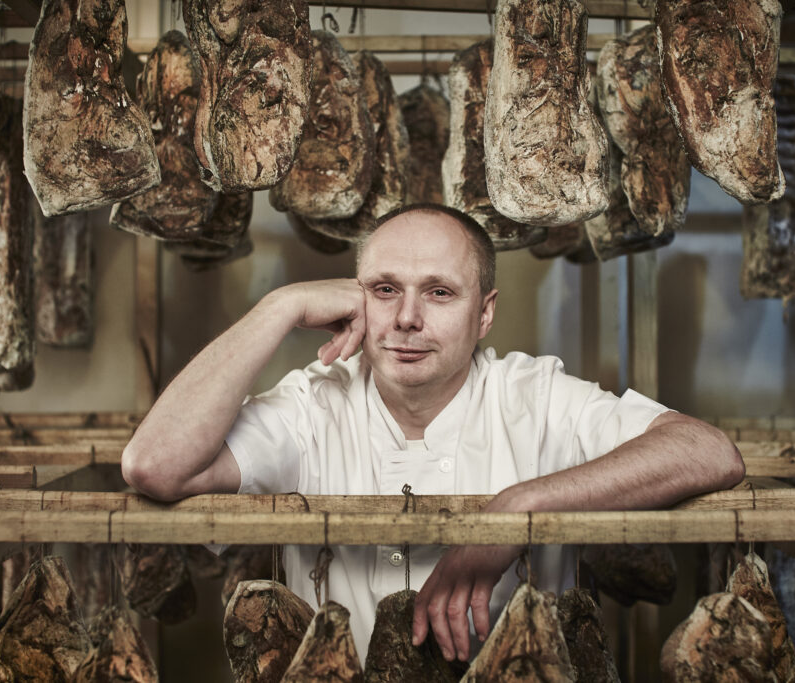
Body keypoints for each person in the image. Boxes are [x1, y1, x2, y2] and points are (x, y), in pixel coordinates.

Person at [122, 203, 744, 662]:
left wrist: (517, 510)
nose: (408, 319)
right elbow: (154, 464)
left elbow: (707, 451)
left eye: (439, 293)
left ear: (486, 313)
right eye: (385, 290)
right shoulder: (315, 402)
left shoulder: (535, 396)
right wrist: (279, 306)